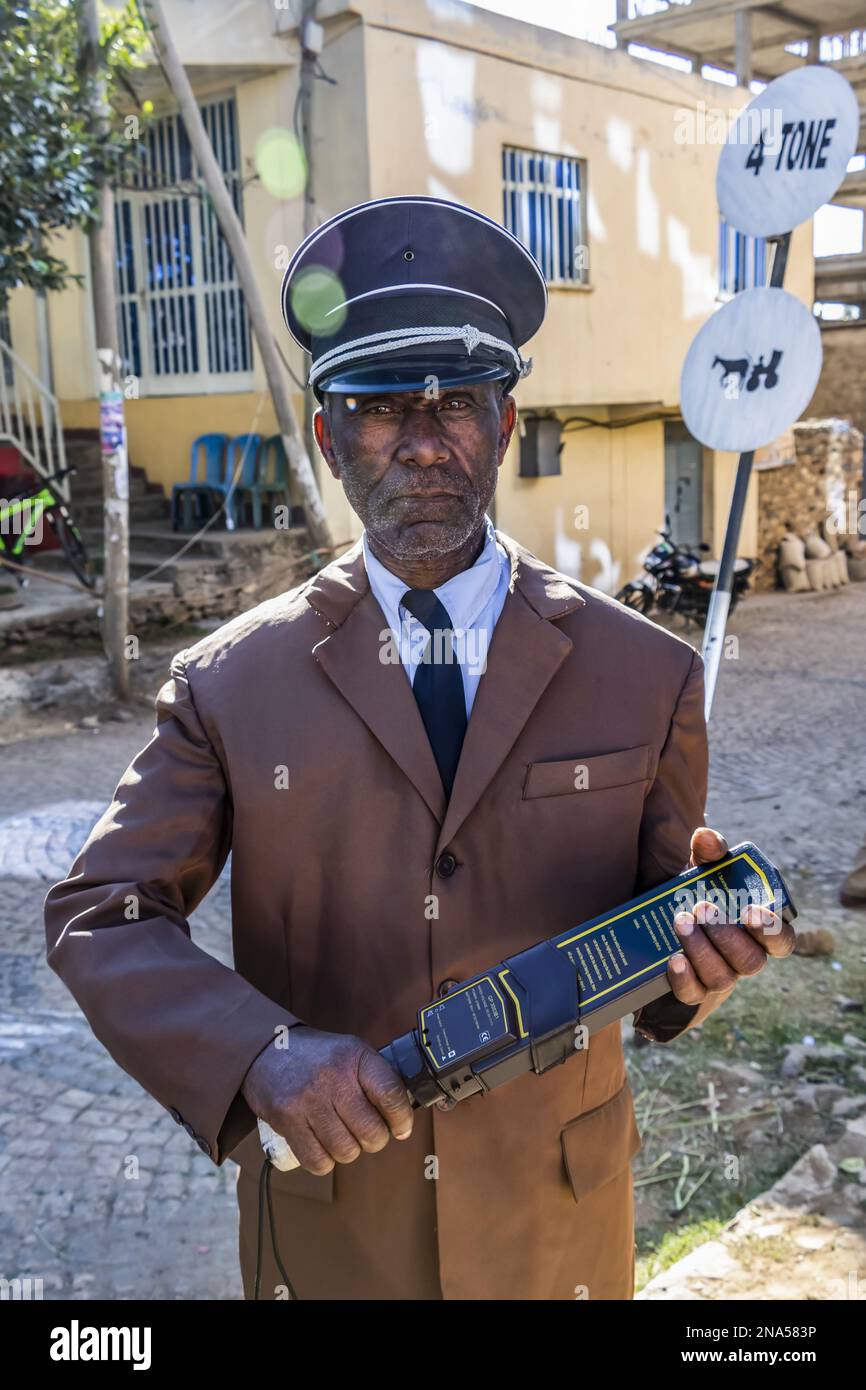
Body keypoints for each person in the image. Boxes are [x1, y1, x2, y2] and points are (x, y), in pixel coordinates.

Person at [44, 196, 795, 1301]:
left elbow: (648, 950)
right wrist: (258, 1052)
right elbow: (100, 912)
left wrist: (694, 976)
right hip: (335, 1232)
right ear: (325, 434)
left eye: (458, 405)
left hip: (557, 1231)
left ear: (504, 420)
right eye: (382, 407)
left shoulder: (647, 674)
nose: (424, 441)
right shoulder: (228, 684)